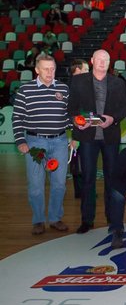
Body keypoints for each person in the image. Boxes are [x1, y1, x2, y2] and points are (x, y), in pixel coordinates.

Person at [68, 50, 126, 234]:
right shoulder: (79, 81)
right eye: (99, 59)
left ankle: (112, 217)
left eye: (106, 59)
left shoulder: (117, 82)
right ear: (92, 60)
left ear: (109, 62)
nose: (102, 62)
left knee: (112, 178)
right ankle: (87, 220)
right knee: (88, 178)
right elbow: (71, 108)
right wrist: (76, 121)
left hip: (110, 137)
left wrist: (114, 119)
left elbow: (125, 108)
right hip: (87, 137)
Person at [12, 54, 71, 235]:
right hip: (35, 143)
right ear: (36, 70)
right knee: (36, 185)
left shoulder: (64, 89)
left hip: (60, 142)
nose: (49, 72)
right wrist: (21, 141)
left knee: (59, 184)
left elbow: (68, 117)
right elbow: (17, 117)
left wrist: (75, 129)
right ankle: (38, 219)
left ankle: (54, 218)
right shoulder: (25, 90)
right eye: (45, 69)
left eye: (52, 68)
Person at [68, 59, 89, 200]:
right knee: (79, 161)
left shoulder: (82, 86)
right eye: (86, 70)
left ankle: (81, 191)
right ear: (77, 71)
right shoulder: (73, 88)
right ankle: (81, 192)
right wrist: (75, 137)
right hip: (78, 131)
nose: (88, 72)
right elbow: (73, 114)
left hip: (84, 129)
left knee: (82, 161)